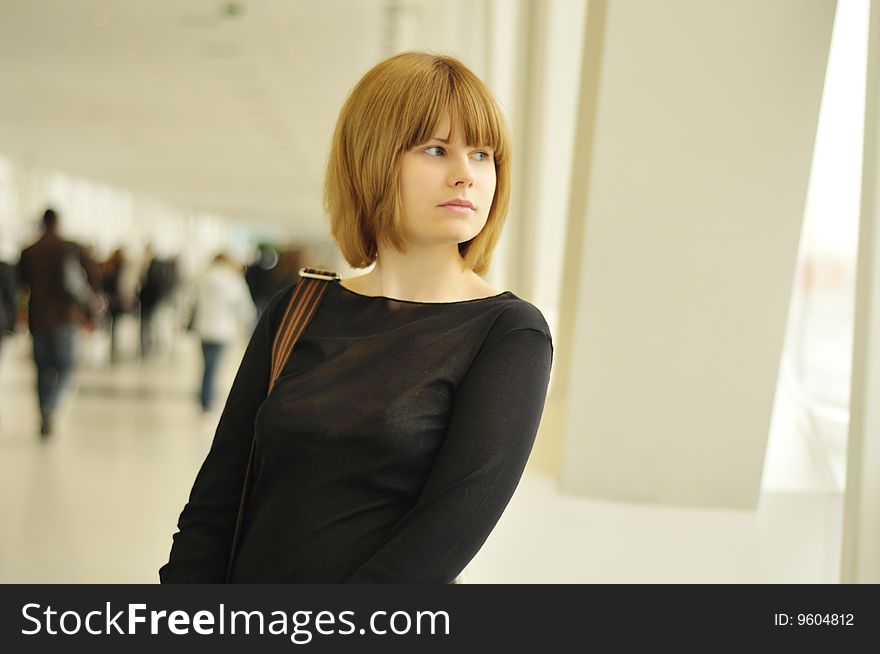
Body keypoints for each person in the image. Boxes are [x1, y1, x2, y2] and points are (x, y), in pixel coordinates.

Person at [160, 52, 553, 583]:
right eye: (436, 149)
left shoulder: (507, 334)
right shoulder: (299, 309)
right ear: (372, 159)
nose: (466, 175)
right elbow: (217, 497)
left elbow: (440, 540)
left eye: (482, 155)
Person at [17, 208, 101, 437]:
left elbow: (21, 283)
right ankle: (53, 406)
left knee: (42, 368)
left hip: (39, 318)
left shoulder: (29, 251)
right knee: (66, 366)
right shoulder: (70, 247)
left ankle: (44, 408)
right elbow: (93, 276)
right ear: (58, 222)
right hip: (66, 317)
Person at [191, 253, 256, 413]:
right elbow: (246, 310)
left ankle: (203, 397)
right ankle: (207, 402)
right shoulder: (234, 281)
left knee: (207, 365)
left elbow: (192, 302)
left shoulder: (203, 279)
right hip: (223, 330)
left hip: (204, 328)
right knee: (215, 367)